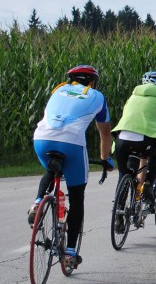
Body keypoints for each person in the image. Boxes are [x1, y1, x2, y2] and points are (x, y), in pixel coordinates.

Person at [30, 65, 114, 268]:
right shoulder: (97, 96)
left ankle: (37, 202)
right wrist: (105, 159)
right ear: (92, 82)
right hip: (72, 142)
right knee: (76, 197)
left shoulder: (57, 90)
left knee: (51, 169)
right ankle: (70, 251)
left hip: (41, 139)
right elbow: (105, 134)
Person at [112, 71, 156, 220]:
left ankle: (118, 216)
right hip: (144, 142)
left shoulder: (132, 97)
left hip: (121, 141)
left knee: (123, 174)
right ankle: (148, 184)